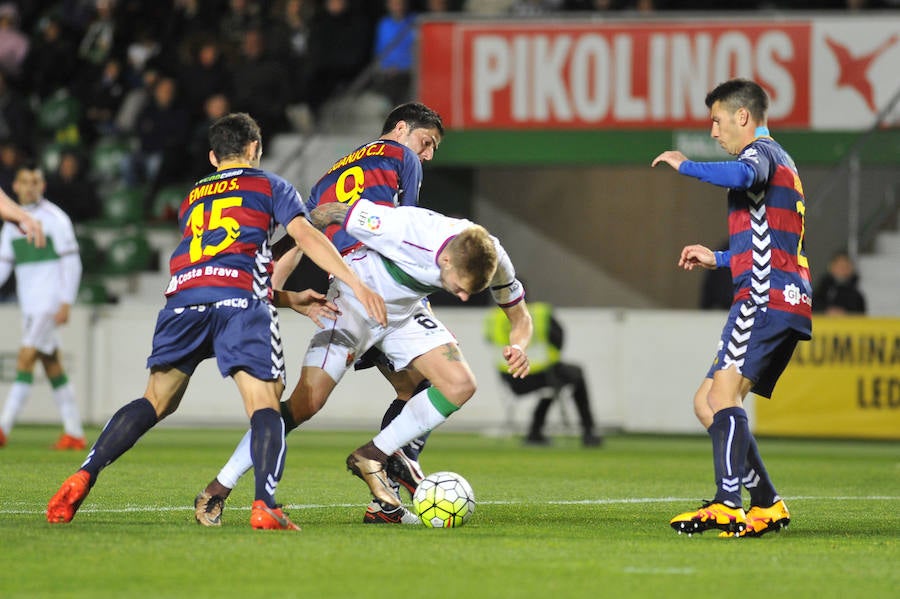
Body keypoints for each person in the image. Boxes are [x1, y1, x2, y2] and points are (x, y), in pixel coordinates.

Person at [45, 112, 386, 530]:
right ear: (254, 149)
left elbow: (213, 265)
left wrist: (285, 297)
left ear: (213, 155)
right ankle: (265, 504)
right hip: (240, 304)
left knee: (154, 401)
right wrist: (356, 282)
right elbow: (305, 236)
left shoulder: (192, 198)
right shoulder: (269, 184)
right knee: (265, 404)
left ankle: (86, 471)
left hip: (182, 299)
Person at [197, 198, 533, 526]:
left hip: (402, 314)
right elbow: (325, 213)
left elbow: (520, 318)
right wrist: (279, 270)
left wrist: (518, 345)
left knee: (460, 385)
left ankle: (373, 454)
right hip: (354, 301)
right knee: (306, 404)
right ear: (444, 259)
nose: (462, 297)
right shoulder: (403, 228)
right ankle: (217, 488)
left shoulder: (493, 255)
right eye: (459, 288)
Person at [195, 101, 446, 526]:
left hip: (344, 291)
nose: (428, 154)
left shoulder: (330, 175)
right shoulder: (401, 157)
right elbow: (405, 227)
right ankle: (385, 464)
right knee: (436, 386)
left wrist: (270, 292)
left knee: (319, 402)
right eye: (427, 143)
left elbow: (299, 242)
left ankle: (221, 487)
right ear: (401, 129)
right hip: (377, 285)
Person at [651, 78, 811, 537]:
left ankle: (727, 503)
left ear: (743, 116)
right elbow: (772, 242)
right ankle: (766, 503)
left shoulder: (759, 155)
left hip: (763, 298)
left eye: (718, 122)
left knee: (721, 397)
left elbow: (744, 176)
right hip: (780, 295)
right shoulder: (782, 162)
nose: (714, 132)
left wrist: (686, 165)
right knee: (708, 403)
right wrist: (718, 258)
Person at [0, 164, 79, 449]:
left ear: (42, 186)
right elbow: (3, 265)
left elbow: (72, 263)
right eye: (25, 181)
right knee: (52, 364)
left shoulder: (56, 219)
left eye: (36, 181)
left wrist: (66, 301)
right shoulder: (12, 225)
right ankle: (74, 432)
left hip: (48, 303)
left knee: (25, 358)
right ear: (16, 187)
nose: (30, 186)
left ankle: (3, 427)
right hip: (29, 305)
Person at [484, 301, 601, 447]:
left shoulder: (494, 317)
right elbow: (558, 338)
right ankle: (589, 432)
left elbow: (488, 340)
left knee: (551, 388)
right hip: (542, 372)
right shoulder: (539, 313)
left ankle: (535, 432)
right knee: (574, 374)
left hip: (510, 378)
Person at [812, 251, 866, 315]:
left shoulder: (857, 296)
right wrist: (826, 311)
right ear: (831, 267)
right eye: (840, 266)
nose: (843, 270)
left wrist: (845, 314)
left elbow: (860, 316)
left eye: (846, 266)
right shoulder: (821, 290)